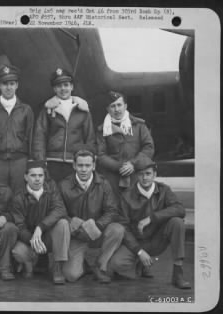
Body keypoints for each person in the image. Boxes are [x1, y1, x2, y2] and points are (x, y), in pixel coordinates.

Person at [109, 156, 191, 289]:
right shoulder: (126, 196)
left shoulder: (164, 190)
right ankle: (139, 264)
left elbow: (180, 209)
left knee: (177, 222)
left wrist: (152, 218)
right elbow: (124, 228)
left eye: (148, 174)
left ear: (155, 175)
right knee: (116, 264)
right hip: (138, 242)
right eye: (140, 174)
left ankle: (178, 274)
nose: (145, 177)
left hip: (158, 239)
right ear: (136, 176)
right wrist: (139, 251)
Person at [58, 149, 124, 283]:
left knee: (117, 229)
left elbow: (112, 210)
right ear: (74, 165)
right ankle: (84, 264)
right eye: (80, 165)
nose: (84, 169)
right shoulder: (63, 185)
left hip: (97, 231)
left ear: (94, 166)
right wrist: (73, 222)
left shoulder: (104, 184)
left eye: (87, 166)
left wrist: (98, 224)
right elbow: (58, 211)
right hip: (76, 235)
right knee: (71, 275)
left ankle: (100, 266)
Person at [11, 160, 70, 284]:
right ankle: (30, 263)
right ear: (26, 177)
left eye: (40, 175)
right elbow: (19, 225)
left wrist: (41, 227)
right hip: (30, 240)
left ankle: (57, 267)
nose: (37, 179)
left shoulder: (51, 189)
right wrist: (33, 240)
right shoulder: (18, 197)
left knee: (63, 223)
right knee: (18, 252)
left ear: (44, 177)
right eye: (33, 175)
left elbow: (60, 209)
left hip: (48, 236)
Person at [33, 68, 96, 182]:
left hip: (75, 162)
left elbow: (89, 137)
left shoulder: (82, 109)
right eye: (59, 86)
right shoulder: (47, 109)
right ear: (54, 89)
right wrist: (40, 161)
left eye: (66, 85)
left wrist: (87, 161)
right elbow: (40, 136)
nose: (63, 89)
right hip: (52, 161)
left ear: (72, 87)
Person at [0, 64, 34, 192]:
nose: (8, 87)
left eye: (11, 83)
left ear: (17, 85)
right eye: (5, 84)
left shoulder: (26, 110)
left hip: (20, 160)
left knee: (19, 195)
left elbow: (31, 137)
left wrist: (32, 162)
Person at [96, 91, 154, 199]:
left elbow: (148, 147)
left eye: (119, 105)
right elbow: (101, 155)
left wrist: (133, 164)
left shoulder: (139, 125)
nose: (117, 109)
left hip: (136, 174)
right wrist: (120, 167)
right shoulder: (102, 130)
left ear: (125, 106)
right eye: (113, 106)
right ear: (107, 109)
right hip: (112, 177)